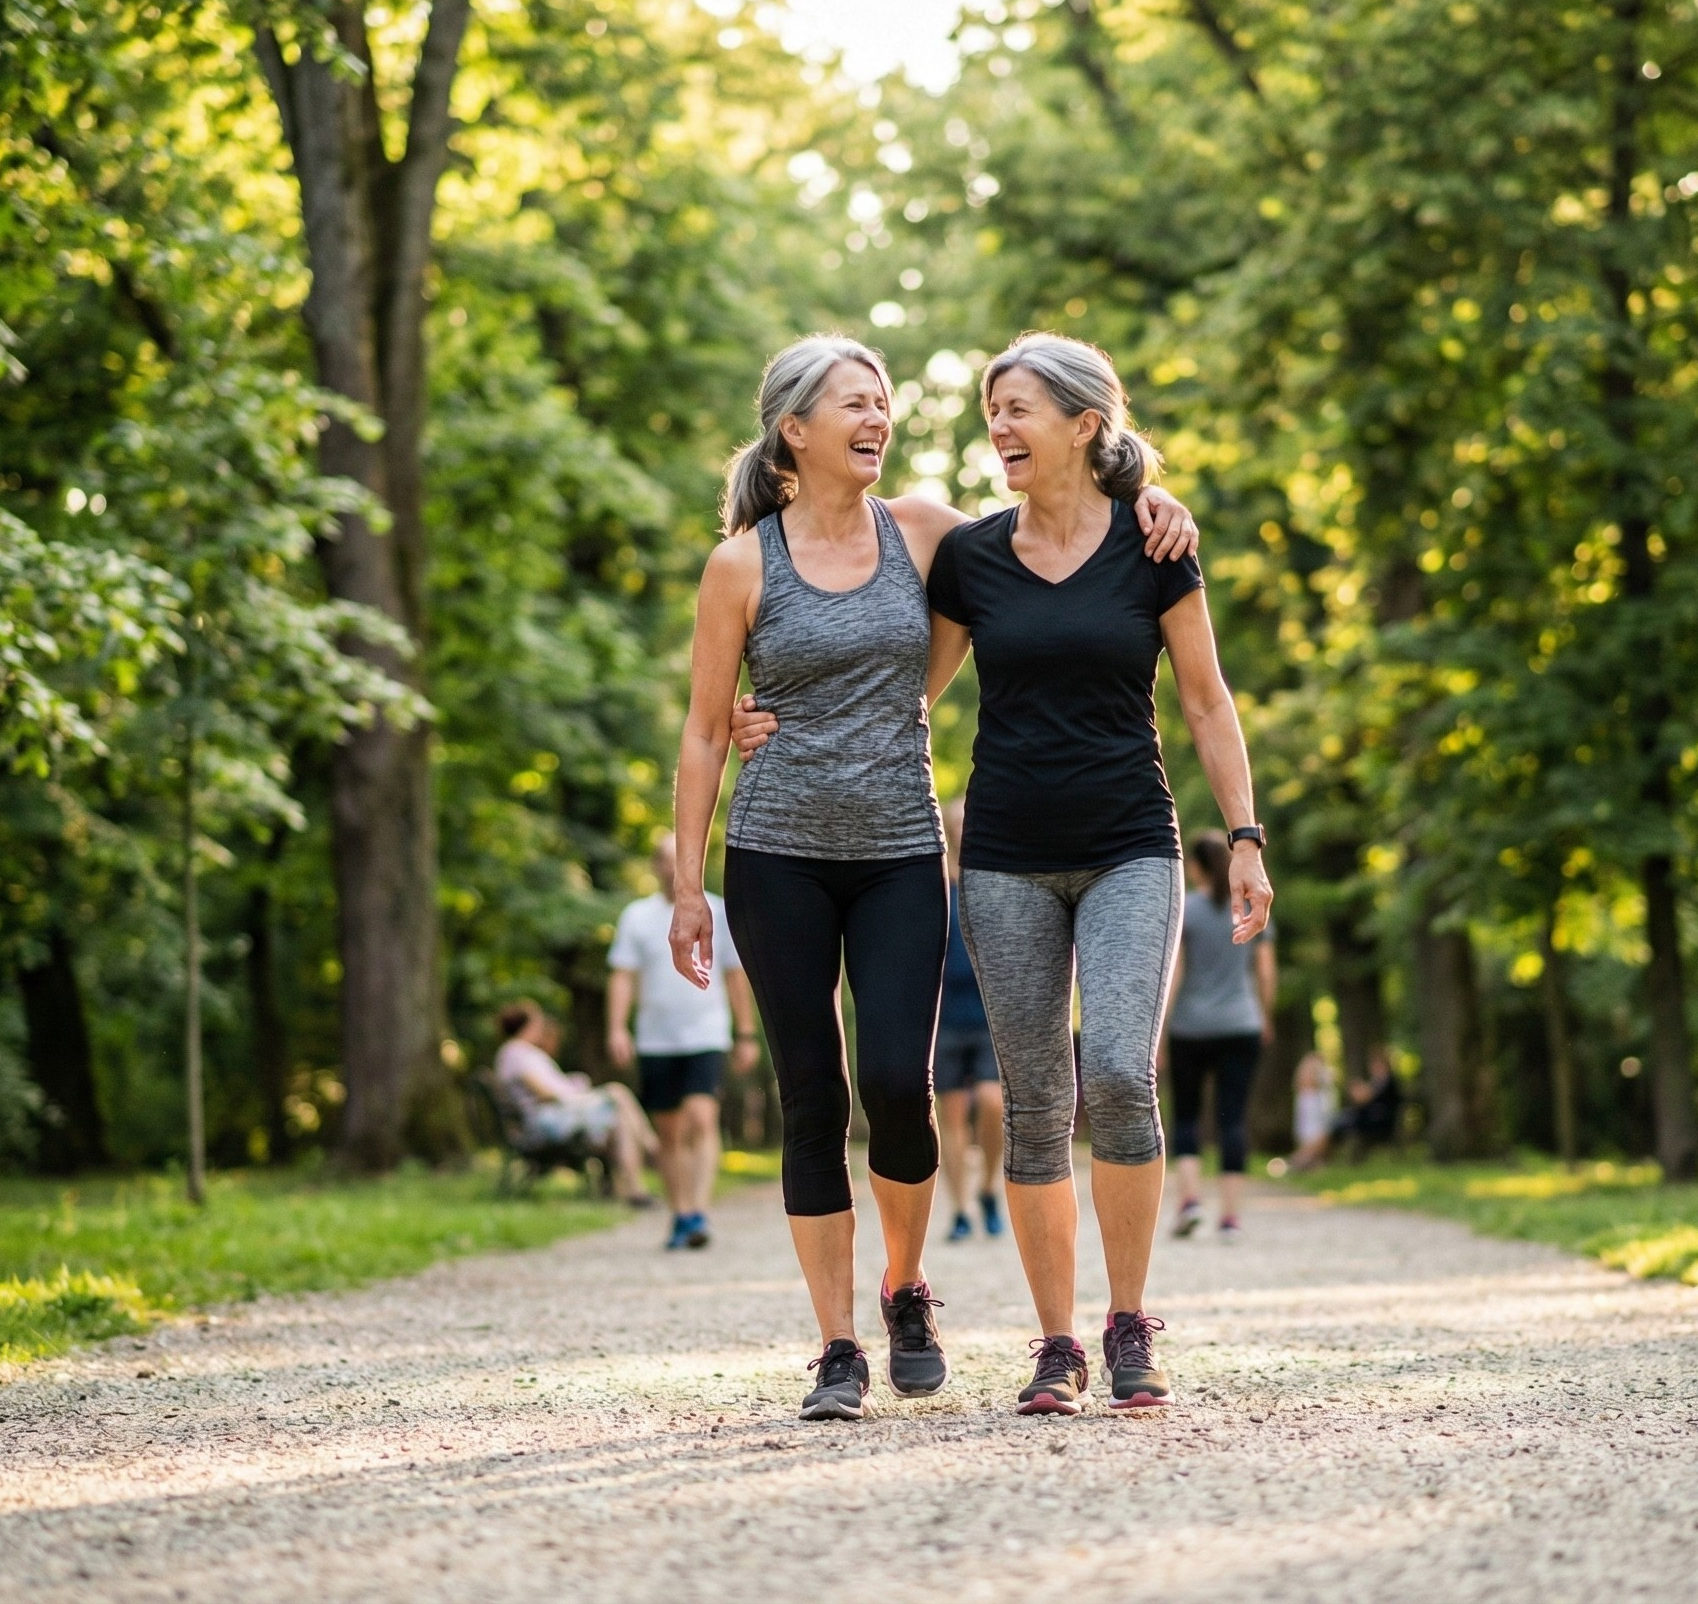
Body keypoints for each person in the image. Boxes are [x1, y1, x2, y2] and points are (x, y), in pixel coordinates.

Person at [676, 334, 1199, 1422]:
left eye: (883, 401)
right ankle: (837, 1347)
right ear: (794, 429)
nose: (879, 417)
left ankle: (905, 1287)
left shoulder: (924, 531)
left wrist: (1154, 502)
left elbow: (1055, 534)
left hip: (903, 851)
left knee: (894, 1085)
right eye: (855, 403)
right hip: (775, 850)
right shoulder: (740, 565)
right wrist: (690, 883)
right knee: (811, 1091)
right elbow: (702, 730)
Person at [926, 332, 1271, 1416]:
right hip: (1004, 860)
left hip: (1131, 844)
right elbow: (908, 694)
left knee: (1119, 1068)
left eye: (1017, 408)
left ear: (1084, 424)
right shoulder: (972, 558)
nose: (999, 426)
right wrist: (777, 720)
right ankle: (1056, 1345)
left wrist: (1246, 836)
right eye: (991, 410)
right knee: (1036, 1103)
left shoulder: (1155, 545)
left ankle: (1128, 1320)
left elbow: (1207, 699)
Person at [610, 834, 760, 1251]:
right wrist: (617, 1028)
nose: (675, 866)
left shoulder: (718, 910)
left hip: (706, 1033)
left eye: (681, 857)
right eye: (666, 859)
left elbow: (735, 975)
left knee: (701, 1117)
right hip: (656, 1038)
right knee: (669, 1131)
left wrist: (745, 1033)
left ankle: (698, 1213)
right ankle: (679, 1213)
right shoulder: (636, 917)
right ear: (656, 866)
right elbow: (622, 976)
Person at [1164, 829, 1276, 1242]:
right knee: (1233, 1118)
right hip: (1241, 1024)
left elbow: (1174, 972)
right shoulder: (1250, 904)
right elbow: (1265, 970)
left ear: (1195, 867)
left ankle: (1190, 1203)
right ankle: (1230, 1219)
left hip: (1189, 1027)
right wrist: (1265, 1015)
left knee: (1187, 1116)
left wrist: (1161, 1028)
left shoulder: (1186, 910)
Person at [491, 1003, 658, 1205]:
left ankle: (635, 1186)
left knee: (619, 1113)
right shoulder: (516, 1053)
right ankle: (651, 1153)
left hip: (554, 1115)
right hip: (546, 1122)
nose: (540, 1028)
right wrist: (577, 1095)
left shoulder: (520, 1052)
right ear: (527, 1026)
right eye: (537, 1023)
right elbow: (545, 1093)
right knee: (617, 1093)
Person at [934, 799, 1005, 1243]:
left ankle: (989, 1187)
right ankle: (960, 1210)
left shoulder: (993, 876)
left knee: (993, 1103)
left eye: (967, 820)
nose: (962, 827)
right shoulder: (933, 882)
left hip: (988, 1014)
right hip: (943, 1018)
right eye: (955, 821)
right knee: (953, 1114)